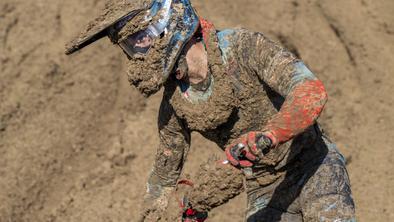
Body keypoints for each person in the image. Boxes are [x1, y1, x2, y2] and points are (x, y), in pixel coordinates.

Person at [65, 0, 356, 221]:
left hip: (312, 163)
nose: (137, 54)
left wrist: (270, 134)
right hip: (263, 187)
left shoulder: (243, 47)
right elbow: (162, 181)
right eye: (130, 47)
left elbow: (310, 90)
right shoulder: (175, 102)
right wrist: (176, 210)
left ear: (166, 23)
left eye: (139, 39)